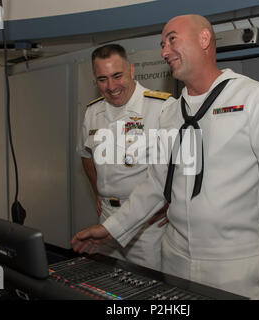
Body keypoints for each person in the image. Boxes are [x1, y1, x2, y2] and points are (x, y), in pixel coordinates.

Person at [72, 15, 259, 297]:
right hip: (175, 260)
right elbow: (156, 183)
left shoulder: (253, 98)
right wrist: (112, 228)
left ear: (204, 39)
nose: (164, 51)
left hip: (235, 266)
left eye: (172, 39)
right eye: (162, 44)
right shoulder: (172, 112)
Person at [76, 44, 173, 271]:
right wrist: (97, 191)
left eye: (117, 76)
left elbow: (181, 164)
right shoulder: (93, 112)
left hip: (147, 225)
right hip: (107, 216)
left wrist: (174, 202)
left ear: (131, 70)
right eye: (102, 79)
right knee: (109, 285)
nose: (111, 86)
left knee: (149, 292)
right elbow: (85, 154)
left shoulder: (161, 107)